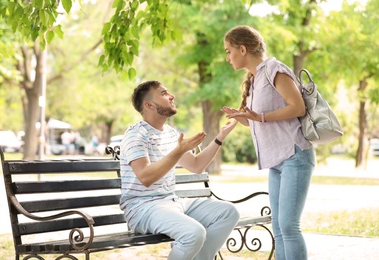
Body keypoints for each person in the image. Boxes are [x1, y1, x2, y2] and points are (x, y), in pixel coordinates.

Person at [222, 25, 316, 260]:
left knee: (289, 227)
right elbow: (260, 122)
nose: (227, 57)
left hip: (294, 155)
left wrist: (259, 116)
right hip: (276, 162)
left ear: (242, 49)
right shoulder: (254, 79)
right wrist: (244, 117)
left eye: (228, 51)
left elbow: (298, 107)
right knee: (279, 228)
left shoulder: (274, 69)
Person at [119, 80, 240, 260]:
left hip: (171, 202)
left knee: (229, 213)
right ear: (149, 105)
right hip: (142, 208)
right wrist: (178, 151)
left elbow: (197, 165)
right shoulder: (136, 135)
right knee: (194, 233)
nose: (171, 95)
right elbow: (145, 177)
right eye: (164, 93)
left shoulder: (169, 132)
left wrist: (220, 137)